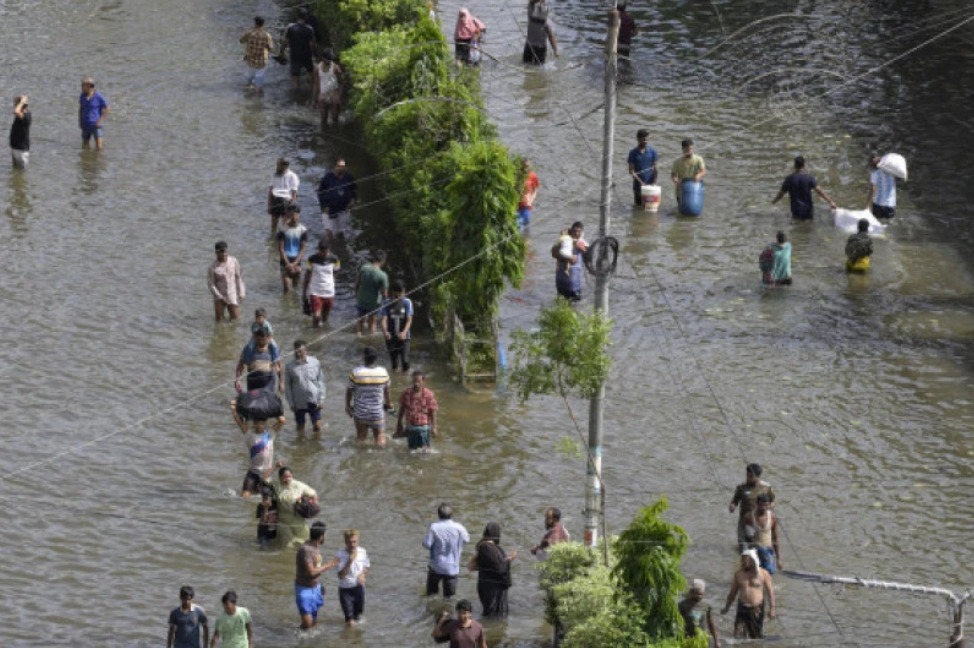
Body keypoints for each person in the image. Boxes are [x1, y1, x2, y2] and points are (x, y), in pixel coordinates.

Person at [230, 398, 285, 497]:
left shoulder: (270, 434)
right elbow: (238, 421)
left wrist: (274, 408)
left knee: (266, 498)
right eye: (257, 422)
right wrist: (234, 409)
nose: (260, 425)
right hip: (252, 473)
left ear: (265, 424)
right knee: (245, 496)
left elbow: (282, 421)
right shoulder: (249, 434)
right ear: (254, 424)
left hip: (267, 472)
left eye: (262, 423)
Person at [720, 549, 776, 639]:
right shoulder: (738, 574)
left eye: (745, 559)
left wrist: (772, 609)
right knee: (737, 636)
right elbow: (732, 594)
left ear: (752, 560)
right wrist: (726, 608)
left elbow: (771, 592)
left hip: (757, 609)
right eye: (742, 559)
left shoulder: (764, 574)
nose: (742, 562)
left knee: (755, 637)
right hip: (742, 607)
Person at [345, 346, 392, 447]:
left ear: (364, 358)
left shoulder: (356, 372)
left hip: (361, 413)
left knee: (361, 438)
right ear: (375, 358)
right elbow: (387, 391)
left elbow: (349, 391)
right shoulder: (383, 372)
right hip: (377, 413)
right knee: (380, 437)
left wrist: (348, 406)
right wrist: (389, 404)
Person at [467, 522, 516, 617]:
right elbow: (500, 567)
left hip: (485, 586)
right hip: (492, 589)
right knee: (494, 615)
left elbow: (471, 566)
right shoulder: (488, 548)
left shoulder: (484, 547)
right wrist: (510, 558)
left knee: (489, 612)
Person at [423, 503, 470, 597]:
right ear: (451, 515)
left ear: (438, 514)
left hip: (436, 566)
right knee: (449, 598)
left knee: (431, 595)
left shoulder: (433, 527)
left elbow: (427, 544)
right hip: (452, 568)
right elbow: (467, 540)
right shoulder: (459, 527)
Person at [771, 155, 837, 220]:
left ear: (795, 165)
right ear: (803, 165)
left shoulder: (789, 179)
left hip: (796, 210)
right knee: (809, 226)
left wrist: (773, 202)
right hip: (808, 210)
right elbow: (819, 191)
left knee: (796, 226)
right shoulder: (809, 178)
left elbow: (781, 194)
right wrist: (830, 202)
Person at [329, 529, 371, 626]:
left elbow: (367, 567)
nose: (352, 544)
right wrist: (350, 560)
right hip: (345, 590)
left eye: (354, 542)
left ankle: (354, 639)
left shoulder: (362, 551)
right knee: (350, 622)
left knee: (359, 618)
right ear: (345, 542)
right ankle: (348, 637)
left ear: (358, 541)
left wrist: (363, 574)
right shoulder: (340, 554)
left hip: (359, 588)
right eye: (349, 542)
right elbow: (341, 576)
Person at [729, 463, 776, 550]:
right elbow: (735, 501)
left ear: (758, 477)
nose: (748, 478)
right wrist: (732, 506)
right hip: (744, 521)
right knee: (742, 547)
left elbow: (773, 501)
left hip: (760, 520)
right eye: (747, 475)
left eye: (751, 476)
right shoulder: (741, 488)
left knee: (758, 546)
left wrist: (768, 507)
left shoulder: (766, 487)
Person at [284, 340, 326, 434]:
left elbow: (321, 381)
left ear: (305, 350)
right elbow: (287, 386)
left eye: (300, 350)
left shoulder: (315, 362)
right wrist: (291, 403)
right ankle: (301, 445)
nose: (298, 353)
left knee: (317, 426)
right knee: (300, 428)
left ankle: (316, 444)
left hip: (313, 399)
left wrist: (321, 399)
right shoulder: (290, 367)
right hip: (298, 402)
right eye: (296, 350)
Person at [272, 466, 319, 548]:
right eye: (284, 477)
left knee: (306, 542)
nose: (287, 479)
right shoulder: (276, 485)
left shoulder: (298, 485)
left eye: (289, 476)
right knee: (287, 545)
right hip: (283, 521)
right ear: (279, 477)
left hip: (298, 519)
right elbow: (264, 478)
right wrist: (275, 467)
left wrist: (312, 507)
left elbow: (313, 494)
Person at [294, 521, 328, 629]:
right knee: (307, 623)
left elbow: (317, 566)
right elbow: (312, 571)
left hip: (316, 587)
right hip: (304, 588)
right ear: (321, 536)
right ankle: (296, 638)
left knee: (313, 621)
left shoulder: (315, 546)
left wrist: (321, 585)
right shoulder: (307, 550)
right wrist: (330, 564)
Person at [395, 371, 439, 451]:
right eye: (414, 381)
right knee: (411, 451)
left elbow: (433, 411)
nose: (416, 384)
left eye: (418, 381)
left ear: (423, 381)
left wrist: (434, 427)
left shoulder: (428, 394)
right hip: (411, 428)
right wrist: (399, 424)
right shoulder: (406, 393)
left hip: (423, 428)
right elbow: (402, 409)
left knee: (424, 452)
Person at [316, 159, 357, 240]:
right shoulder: (327, 177)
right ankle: (329, 249)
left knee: (340, 232)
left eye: (343, 166)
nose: (340, 168)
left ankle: (340, 246)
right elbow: (320, 192)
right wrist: (324, 206)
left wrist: (352, 201)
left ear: (345, 168)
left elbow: (354, 191)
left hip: (344, 209)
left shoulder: (349, 178)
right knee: (329, 233)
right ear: (335, 167)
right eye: (338, 166)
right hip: (328, 209)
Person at [303, 239, 340, 327]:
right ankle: (314, 333)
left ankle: (322, 334)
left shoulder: (335, 259)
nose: (322, 253)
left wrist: (332, 281)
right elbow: (307, 275)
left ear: (328, 250)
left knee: (325, 318)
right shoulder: (311, 259)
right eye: (320, 251)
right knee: (316, 316)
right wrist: (304, 292)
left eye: (324, 251)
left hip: (329, 291)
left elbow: (336, 271)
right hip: (315, 291)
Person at [235, 326, 283, 393]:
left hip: (268, 382)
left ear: (269, 338)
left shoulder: (272, 350)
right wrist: (238, 380)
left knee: (266, 400)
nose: (261, 342)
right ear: (255, 338)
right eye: (258, 340)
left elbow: (279, 366)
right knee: (253, 401)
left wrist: (281, 382)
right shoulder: (249, 350)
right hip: (253, 381)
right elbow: (240, 365)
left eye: (263, 340)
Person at [208, 241, 245, 322]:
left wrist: (242, 292)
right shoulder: (212, 267)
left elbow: (238, 277)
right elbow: (211, 285)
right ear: (216, 253)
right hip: (219, 296)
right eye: (221, 251)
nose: (224, 254)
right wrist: (220, 297)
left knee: (235, 320)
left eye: (225, 251)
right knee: (219, 321)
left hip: (232, 294)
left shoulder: (234, 261)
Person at [744, 494, 781, 574]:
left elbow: (775, 538)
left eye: (766, 505)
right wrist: (746, 557)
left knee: (770, 572)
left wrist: (778, 559)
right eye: (761, 505)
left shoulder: (772, 517)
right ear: (756, 504)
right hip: (754, 549)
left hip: (768, 550)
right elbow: (747, 539)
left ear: (769, 505)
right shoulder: (749, 517)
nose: (763, 507)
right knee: (753, 574)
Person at [381, 281, 413, 373]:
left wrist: (404, 332)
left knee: (405, 361)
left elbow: (409, 319)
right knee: (394, 363)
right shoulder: (386, 303)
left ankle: (405, 379)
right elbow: (383, 319)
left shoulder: (407, 302)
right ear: (393, 292)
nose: (400, 295)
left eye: (402, 293)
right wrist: (385, 332)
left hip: (404, 337)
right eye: (398, 293)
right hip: (391, 337)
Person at [678, 580, 721, 648]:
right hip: (687, 639)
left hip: (702, 639)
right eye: (697, 594)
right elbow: (677, 623)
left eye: (701, 594)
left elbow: (711, 623)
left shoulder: (706, 605)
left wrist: (716, 640)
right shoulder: (683, 605)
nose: (699, 596)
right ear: (692, 592)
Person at [354, 251, 389, 335]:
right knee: (372, 323)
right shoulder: (383, 275)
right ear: (383, 261)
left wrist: (357, 296)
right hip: (373, 303)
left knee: (360, 320)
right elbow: (385, 294)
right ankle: (371, 340)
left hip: (361, 299)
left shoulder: (364, 268)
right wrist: (386, 304)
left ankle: (358, 336)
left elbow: (356, 285)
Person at [283, 9, 317, 88]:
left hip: (294, 55)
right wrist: (315, 53)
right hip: (306, 55)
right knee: (309, 73)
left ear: (297, 17)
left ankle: (295, 95)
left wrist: (281, 51)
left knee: (295, 77)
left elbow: (285, 42)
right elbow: (312, 44)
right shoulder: (309, 29)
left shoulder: (291, 28)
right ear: (306, 17)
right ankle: (309, 91)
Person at [277, 205, 308, 293]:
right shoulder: (282, 229)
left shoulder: (303, 230)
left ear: (299, 215)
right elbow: (281, 249)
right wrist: (288, 264)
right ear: (287, 215)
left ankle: (295, 303)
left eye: (295, 214)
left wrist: (294, 263)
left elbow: (303, 249)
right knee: (287, 288)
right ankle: (287, 304)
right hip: (285, 259)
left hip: (296, 259)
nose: (293, 217)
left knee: (296, 286)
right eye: (291, 215)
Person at [554, 221, 588, 302]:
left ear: (582, 232)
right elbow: (553, 252)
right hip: (561, 281)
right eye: (575, 231)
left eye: (578, 231)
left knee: (574, 306)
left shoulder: (582, 243)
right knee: (561, 304)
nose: (576, 233)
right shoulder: (564, 241)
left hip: (573, 284)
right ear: (571, 231)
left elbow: (585, 256)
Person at [240, 16, 274, 93]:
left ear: (255, 23)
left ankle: (247, 94)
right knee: (259, 81)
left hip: (250, 59)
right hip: (262, 61)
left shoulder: (249, 33)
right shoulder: (267, 35)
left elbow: (241, 41)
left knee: (248, 79)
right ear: (263, 24)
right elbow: (271, 48)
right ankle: (257, 99)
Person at [627, 129, 659, 207]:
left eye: (647, 139)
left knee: (650, 207)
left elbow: (656, 168)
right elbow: (631, 171)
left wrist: (654, 182)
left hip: (650, 187)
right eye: (643, 139)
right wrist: (641, 182)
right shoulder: (633, 153)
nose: (645, 141)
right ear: (638, 139)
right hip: (638, 187)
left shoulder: (652, 151)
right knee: (638, 207)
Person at [267, 157, 299, 233]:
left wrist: (292, 207)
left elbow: (294, 193)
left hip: (286, 201)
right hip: (275, 200)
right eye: (277, 165)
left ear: (285, 166)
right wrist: (269, 205)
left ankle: (282, 240)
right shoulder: (274, 175)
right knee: (273, 225)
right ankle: (273, 239)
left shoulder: (292, 176)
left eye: (278, 165)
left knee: (285, 225)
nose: (277, 167)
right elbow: (270, 190)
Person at [312, 51, 344, 126]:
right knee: (323, 121)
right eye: (328, 59)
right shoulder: (317, 68)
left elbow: (342, 82)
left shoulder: (336, 68)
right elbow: (316, 85)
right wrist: (314, 99)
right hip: (323, 95)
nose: (330, 60)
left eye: (331, 59)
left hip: (333, 95)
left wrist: (339, 95)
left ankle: (335, 132)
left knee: (335, 120)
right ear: (323, 58)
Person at [670, 138, 706, 203]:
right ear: (683, 149)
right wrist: (677, 181)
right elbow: (673, 175)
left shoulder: (698, 159)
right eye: (687, 149)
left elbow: (703, 171)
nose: (689, 151)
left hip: (695, 188)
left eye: (691, 149)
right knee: (682, 209)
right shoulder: (677, 162)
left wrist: (699, 175)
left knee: (694, 208)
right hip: (681, 189)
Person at [523, 0, 559, 64]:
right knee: (526, 65)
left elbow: (551, 36)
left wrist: (555, 50)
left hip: (540, 48)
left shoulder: (545, 23)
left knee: (536, 67)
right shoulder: (531, 10)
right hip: (529, 46)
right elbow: (532, 2)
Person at [78, 77, 110, 150]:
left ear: (89, 86)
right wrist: (80, 121)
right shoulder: (82, 96)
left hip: (96, 125)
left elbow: (108, 109)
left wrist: (100, 121)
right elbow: (81, 108)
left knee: (99, 147)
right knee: (85, 146)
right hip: (85, 124)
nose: (81, 87)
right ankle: (87, 160)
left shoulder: (98, 96)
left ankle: (98, 160)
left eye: (83, 85)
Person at [867, 154, 897, 219]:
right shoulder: (893, 171)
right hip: (890, 205)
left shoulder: (875, 173)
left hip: (878, 205)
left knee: (875, 225)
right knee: (889, 225)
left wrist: (868, 206)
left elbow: (873, 189)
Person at [516, 158, 539, 230]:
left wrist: (530, 201)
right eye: (525, 166)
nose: (527, 168)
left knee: (521, 225)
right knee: (521, 225)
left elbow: (535, 191)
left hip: (526, 205)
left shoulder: (533, 176)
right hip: (516, 205)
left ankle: (524, 239)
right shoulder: (517, 175)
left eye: (528, 166)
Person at [10, 94, 30, 169]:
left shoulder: (26, 116)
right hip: (15, 148)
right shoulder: (20, 115)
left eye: (15, 103)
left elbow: (16, 111)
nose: (14, 105)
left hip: (21, 151)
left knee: (21, 173)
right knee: (15, 171)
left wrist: (21, 102)